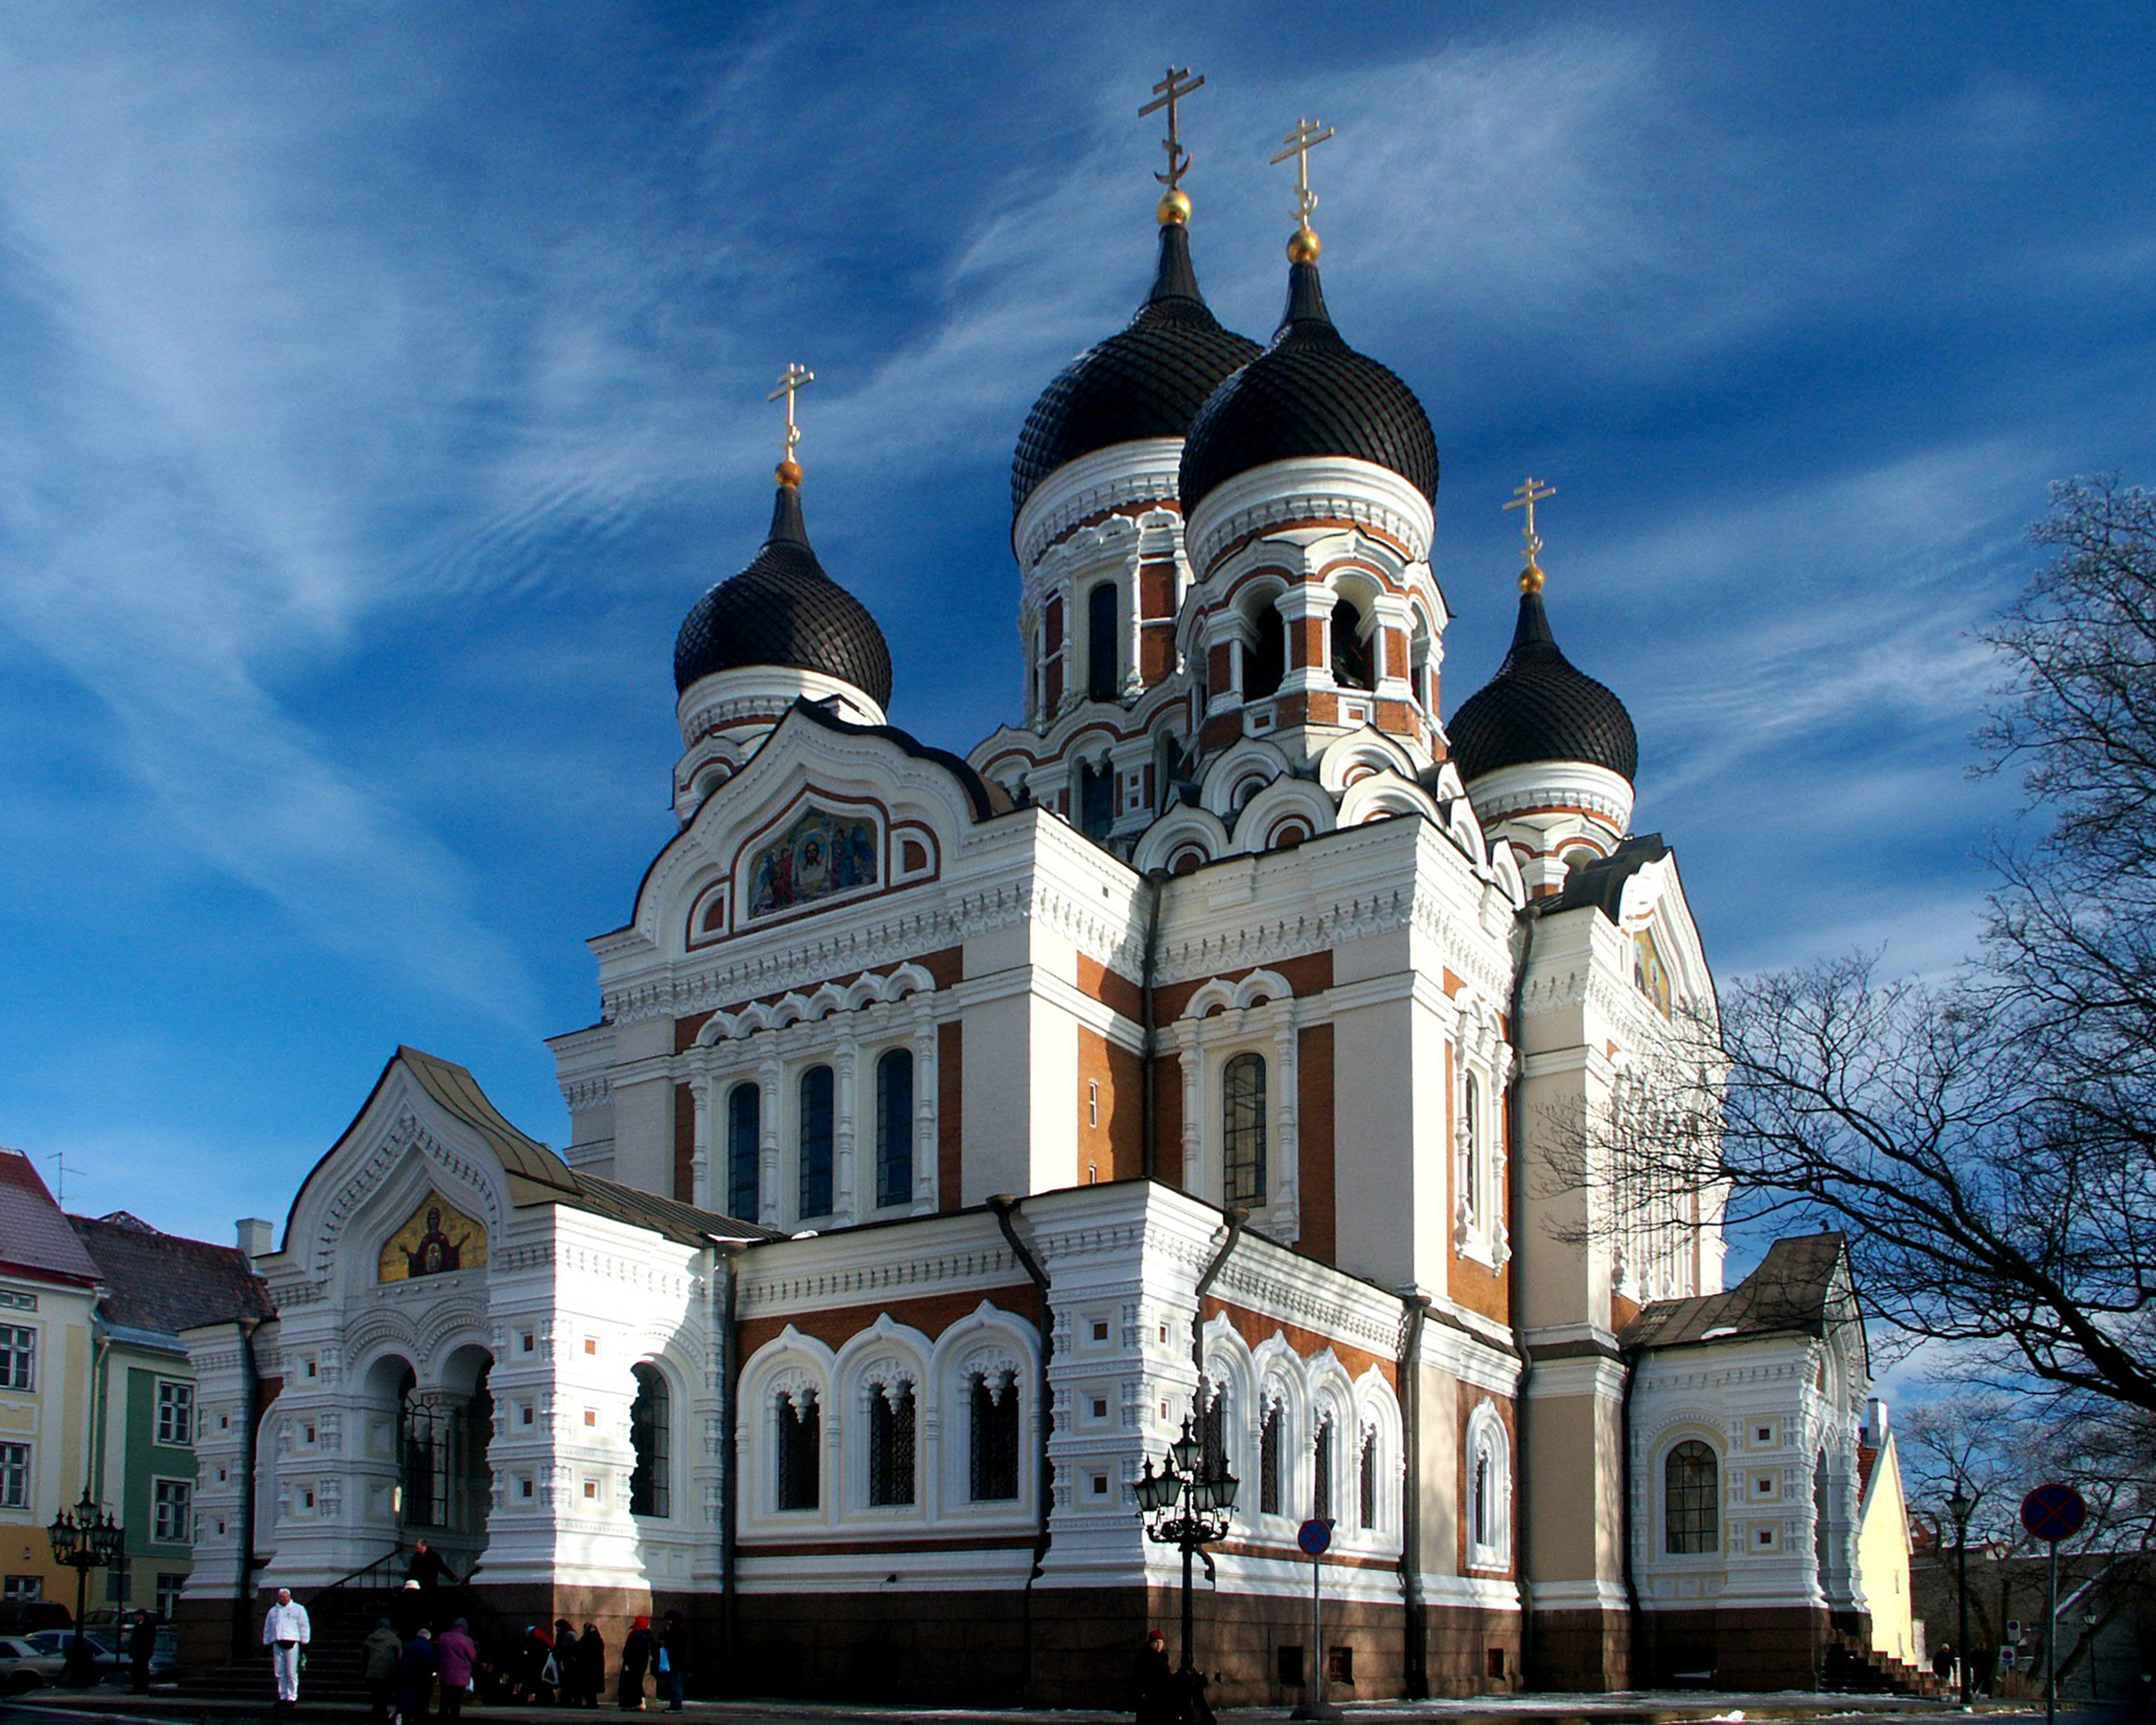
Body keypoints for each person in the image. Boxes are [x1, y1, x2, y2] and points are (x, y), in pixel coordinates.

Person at [262, 1586, 311, 1712]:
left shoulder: (298, 1609)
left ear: (289, 1597)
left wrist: (305, 1642)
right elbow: (268, 1628)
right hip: (277, 1643)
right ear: (278, 1597)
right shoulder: (273, 1611)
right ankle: (282, 1695)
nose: (284, 1599)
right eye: (282, 1597)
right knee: (279, 1671)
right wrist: (266, 1642)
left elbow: (304, 1626)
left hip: (292, 1643)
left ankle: (292, 1696)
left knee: (291, 1672)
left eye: (286, 1597)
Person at [436, 1617, 478, 1722]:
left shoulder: (443, 1637)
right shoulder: (466, 1640)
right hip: (461, 1675)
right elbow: (473, 1657)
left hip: (445, 1673)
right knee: (456, 1701)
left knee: (444, 1700)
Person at [362, 1617, 403, 1725]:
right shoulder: (394, 1639)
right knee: (383, 1699)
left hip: (372, 1673)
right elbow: (399, 1657)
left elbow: (364, 1657)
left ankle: (375, 1719)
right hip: (387, 1674)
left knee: (376, 1700)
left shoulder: (370, 1639)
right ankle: (382, 1719)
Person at [398, 1626, 440, 1725]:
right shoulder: (428, 1648)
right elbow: (432, 1662)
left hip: (408, 1677)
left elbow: (402, 1659)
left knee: (408, 1700)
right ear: (428, 1637)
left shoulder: (409, 1646)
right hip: (422, 1678)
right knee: (421, 1702)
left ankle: (406, 1718)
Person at [1132, 1629, 1173, 1725]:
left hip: (1161, 1694)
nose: (1159, 1645)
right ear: (1151, 1643)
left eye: (1161, 1642)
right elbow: (1139, 1677)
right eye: (1156, 1642)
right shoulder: (1144, 1657)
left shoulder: (1163, 1657)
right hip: (1149, 1694)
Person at [618, 1616, 653, 1711]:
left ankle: (635, 1702)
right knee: (637, 1682)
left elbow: (632, 1651)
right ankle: (640, 1702)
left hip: (634, 1663)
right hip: (641, 1663)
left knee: (632, 1683)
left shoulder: (637, 1636)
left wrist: (628, 1662)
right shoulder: (646, 1636)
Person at [657, 1613, 685, 1712]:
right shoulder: (678, 1631)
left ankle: (676, 1705)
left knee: (675, 1683)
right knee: (674, 1683)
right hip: (674, 1662)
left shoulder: (675, 1632)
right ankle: (675, 1704)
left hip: (675, 1663)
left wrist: (665, 1636)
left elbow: (671, 1645)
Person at [574, 1623, 605, 1709]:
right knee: (591, 1688)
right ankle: (591, 1703)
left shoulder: (586, 1639)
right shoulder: (598, 1639)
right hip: (595, 1666)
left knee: (587, 1686)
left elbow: (581, 1651)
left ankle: (590, 1703)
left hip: (587, 1666)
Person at [127, 1610, 157, 1694]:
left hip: (143, 1652)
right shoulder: (137, 1625)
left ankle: (142, 1688)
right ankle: (137, 1688)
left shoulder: (148, 1625)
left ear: (143, 1616)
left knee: (142, 1670)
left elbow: (149, 1640)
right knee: (136, 1671)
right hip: (136, 1652)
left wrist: (144, 1650)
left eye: (137, 1615)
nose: (135, 1617)